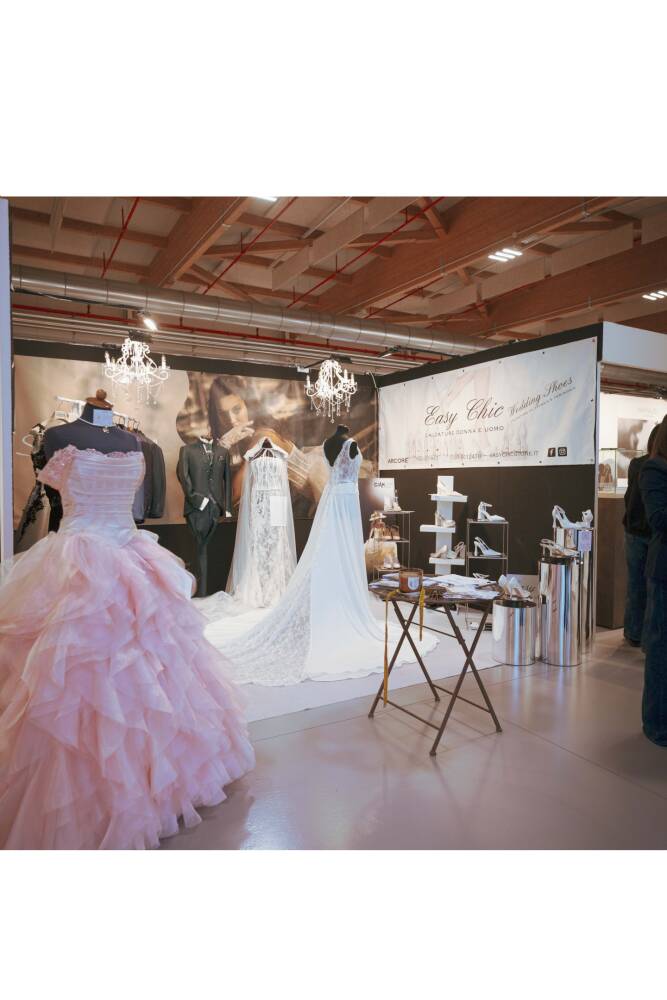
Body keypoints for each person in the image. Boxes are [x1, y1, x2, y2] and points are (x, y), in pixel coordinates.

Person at [639, 415, 667, 747]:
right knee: (661, 650)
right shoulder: (654, 468)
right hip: (663, 572)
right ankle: (657, 725)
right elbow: (659, 518)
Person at [623, 424, 658, 646]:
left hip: (634, 530)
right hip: (649, 533)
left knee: (636, 584)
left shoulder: (637, 464)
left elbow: (629, 498)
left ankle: (634, 633)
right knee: (651, 587)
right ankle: (644, 637)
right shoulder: (655, 467)